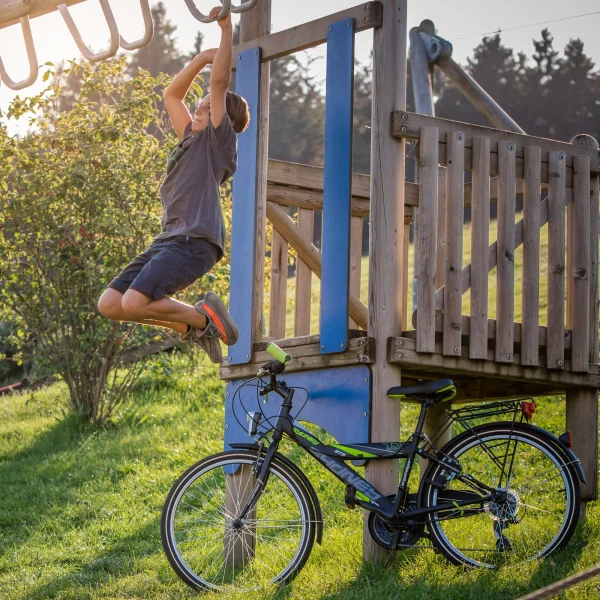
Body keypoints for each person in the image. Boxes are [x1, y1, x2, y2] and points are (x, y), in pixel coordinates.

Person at [97, 7, 247, 364]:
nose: (201, 106)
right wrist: (199, 58)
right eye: (202, 103)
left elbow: (219, 83)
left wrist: (225, 32)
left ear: (221, 121)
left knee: (135, 302)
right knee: (112, 305)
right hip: (168, 240)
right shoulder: (188, 140)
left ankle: (203, 318)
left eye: (210, 107)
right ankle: (191, 327)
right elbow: (171, 96)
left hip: (195, 240)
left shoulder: (217, 144)